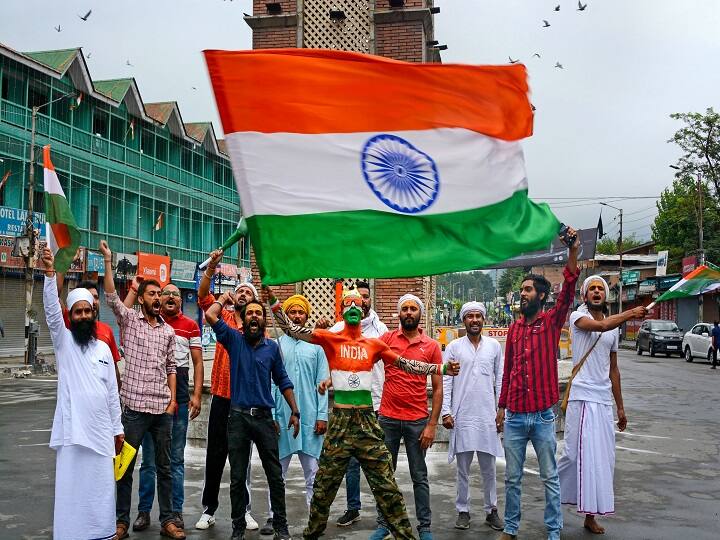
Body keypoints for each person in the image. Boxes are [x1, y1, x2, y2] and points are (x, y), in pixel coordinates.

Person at [263, 285, 460, 540]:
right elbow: (293, 330)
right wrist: (273, 301)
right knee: (324, 487)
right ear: (342, 309)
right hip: (341, 422)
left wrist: (441, 369)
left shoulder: (374, 345)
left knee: (387, 485)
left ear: (364, 308)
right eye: (349, 304)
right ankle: (312, 533)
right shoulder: (329, 338)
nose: (354, 307)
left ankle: (405, 534)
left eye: (358, 303)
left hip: (368, 421)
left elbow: (406, 365)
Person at [495, 227, 580, 540]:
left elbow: (570, 287)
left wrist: (572, 250)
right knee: (512, 479)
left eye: (529, 289)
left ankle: (554, 531)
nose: (523, 293)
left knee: (549, 477)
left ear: (541, 295)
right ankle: (511, 528)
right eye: (522, 289)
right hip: (515, 416)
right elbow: (507, 372)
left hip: (544, 416)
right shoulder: (515, 329)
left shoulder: (552, 321)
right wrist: (501, 408)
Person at [99, 241, 184, 540]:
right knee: (125, 468)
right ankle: (121, 521)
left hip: (161, 410)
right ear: (142, 299)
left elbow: (172, 368)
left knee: (165, 467)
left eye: (159, 294)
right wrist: (109, 261)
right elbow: (111, 297)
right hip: (133, 409)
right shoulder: (130, 320)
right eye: (153, 294)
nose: (158, 298)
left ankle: (170, 520)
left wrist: (173, 401)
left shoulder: (168, 331)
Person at [41, 247, 124, 540]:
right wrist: (51, 274)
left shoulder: (102, 347)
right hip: (73, 434)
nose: (84, 316)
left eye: (88, 311)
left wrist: (118, 429)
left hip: (102, 435)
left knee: (100, 492)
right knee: (71, 492)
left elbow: (112, 393)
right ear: (72, 316)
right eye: (78, 312)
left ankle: (100, 533)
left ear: (93, 313)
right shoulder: (64, 344)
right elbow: (52, 311)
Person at [205, 293, 300, 540]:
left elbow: (283, 380)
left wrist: (295, 411)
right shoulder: (234, 340)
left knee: (275, 476)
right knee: (237, 477)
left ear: (264, 320)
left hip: (264, 419)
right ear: (244, 319)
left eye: (258, 313)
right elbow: (210, 315)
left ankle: (281, 526)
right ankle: (237, 527)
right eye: (250, 313)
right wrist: (224, 298)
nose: (254, 316)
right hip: (237, 419)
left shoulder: (272, 348)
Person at [558, 276, 647, 534]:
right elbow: (601, 326)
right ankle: (553, 496)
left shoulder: (613, 329)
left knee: (601, 459)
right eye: (592, 288)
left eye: (600, 289)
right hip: (581, 396)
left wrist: (620, 407)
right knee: (573, 455)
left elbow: (614, 369)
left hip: (603, 399)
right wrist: (630, 312)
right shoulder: (578, 317)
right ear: (585, 295)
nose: (596, 292)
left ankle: (590, 516)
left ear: (605, 296)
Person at [127, 281, 204, 532]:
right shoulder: (146, 324)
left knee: (175, 461)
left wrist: (196, 395)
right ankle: (143, 511)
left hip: (178, 403)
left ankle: (174, 513)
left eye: (174, 294)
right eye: (164, 293)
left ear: (181, 301)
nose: (169, 297)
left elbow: (197, 362)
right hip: (150, 404)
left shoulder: (190, 327)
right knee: (148, 461)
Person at [195, 249, 260, 532]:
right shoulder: (223, 317)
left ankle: (243, 510)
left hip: (245, 401)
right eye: (240, 291)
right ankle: (209, 509)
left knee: (242, 459)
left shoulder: (256, 325)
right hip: (221, 397)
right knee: (215, 454)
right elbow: (202, 297)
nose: (243, 295)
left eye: (248, 292)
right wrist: (212, 268)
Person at [370, 294, 442, 540]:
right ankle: (384, 524)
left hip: (416, 420)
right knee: (384, 475)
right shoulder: (387, 340)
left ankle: (425, 527)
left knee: (419, 476)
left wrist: (432, 424)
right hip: (388, 418)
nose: (409, 312)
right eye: (405, 309)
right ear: (399, 314)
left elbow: (438, 388)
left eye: (413, 309)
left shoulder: (431, 346)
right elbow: (364, 358)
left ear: (419, 314)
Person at [327, 280, 388, 528]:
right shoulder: (336, 330)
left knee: (378, 464)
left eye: (364, 297)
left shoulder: (381, 330)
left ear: (369, 300)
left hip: (375, 405)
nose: (359, 302)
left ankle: (384, 515)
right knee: (350, 463)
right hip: (347, 408)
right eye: (354, 299)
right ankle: (353, 508)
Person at [441, 301, 504, 532]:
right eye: (470, 316)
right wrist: (446, 412)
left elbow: (500, 379)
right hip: (462, 415)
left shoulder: (494, 346)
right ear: (463, 320)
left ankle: (491, 510)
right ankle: (463, 510)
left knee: (490, 468)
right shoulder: (455, 347)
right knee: (463, 469)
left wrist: (501, 410)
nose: (474, 320)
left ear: (484, 319)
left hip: (487, 415)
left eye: (478, 316)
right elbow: (447, 380)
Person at [270, 294, 329, 514]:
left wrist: (322, 416)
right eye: (292, 312)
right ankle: (274, 517)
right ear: (286, 315)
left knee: (313, 474)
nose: (296, 316)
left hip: (311, 417)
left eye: (300, 312)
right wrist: (274, 416)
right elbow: (272, 384)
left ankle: (315, 519)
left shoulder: (316, 345)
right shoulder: (276, 345)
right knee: (277, 474)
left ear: (307, 316)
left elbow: (321, 383)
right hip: (282, 417)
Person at [57, 272, 122, 387]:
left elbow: (113, 370)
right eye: (89, 297)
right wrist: (63, 263)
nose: (94, 302)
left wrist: (117, 397)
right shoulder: (69, 325)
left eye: (96, 297)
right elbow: (53, 300)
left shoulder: (107, 330)